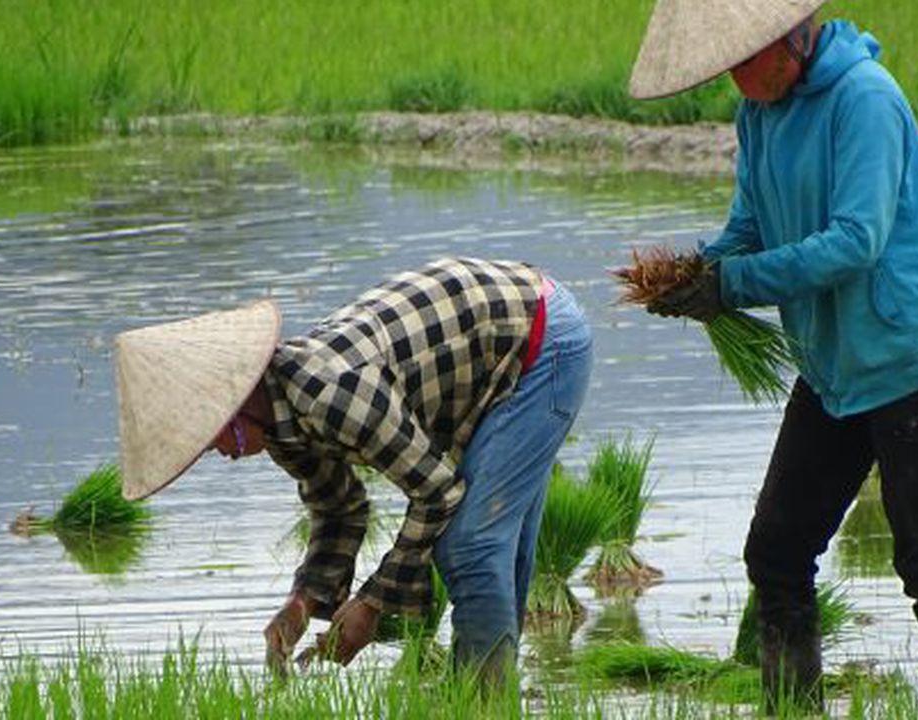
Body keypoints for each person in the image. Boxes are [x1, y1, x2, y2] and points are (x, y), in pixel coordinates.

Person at [629, 0, 918, 708]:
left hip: (912, 360)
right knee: (777, 551)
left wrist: (734, 284)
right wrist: (700, 273)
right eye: (724, 67)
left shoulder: (865, 100)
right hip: (832, 368)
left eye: (743, 61)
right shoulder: (759, 112)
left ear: (789, 39)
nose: (735, 78)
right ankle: (791, 706)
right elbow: (751, 227)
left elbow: (857, 240)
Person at [113, 256, 593, 682]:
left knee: (470, 546)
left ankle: (482, 705)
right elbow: (339, 508)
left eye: (211, 436)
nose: (215, 452)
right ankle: (489, 696)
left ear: (240, 406)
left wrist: (372, 603)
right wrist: (302, 603)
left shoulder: (329, 393)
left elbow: (438, 493)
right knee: (491, 552)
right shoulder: (282, 423)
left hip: (540, 340)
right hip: (500, 343)